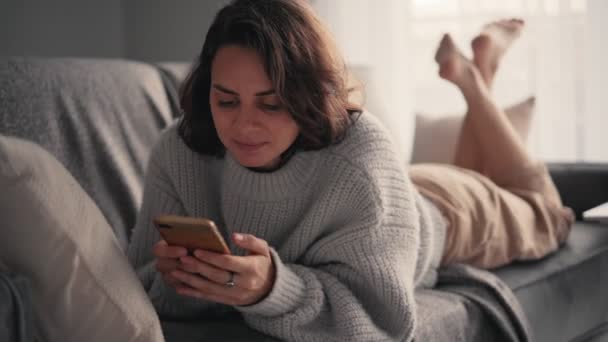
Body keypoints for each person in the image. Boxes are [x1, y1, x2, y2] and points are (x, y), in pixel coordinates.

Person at [126, 2, 574, 342]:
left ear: (304, 97)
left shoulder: (361, 148)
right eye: (226, 100)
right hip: (386, 200)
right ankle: (480, 70)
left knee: (548, 214)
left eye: (271, 103)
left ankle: (474, 83)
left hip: (444, 212)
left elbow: (384, 321)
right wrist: (181, 279)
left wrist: (273, 289)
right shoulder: (180, 150)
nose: (244, 125)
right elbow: (139, 285)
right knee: (488, 174)